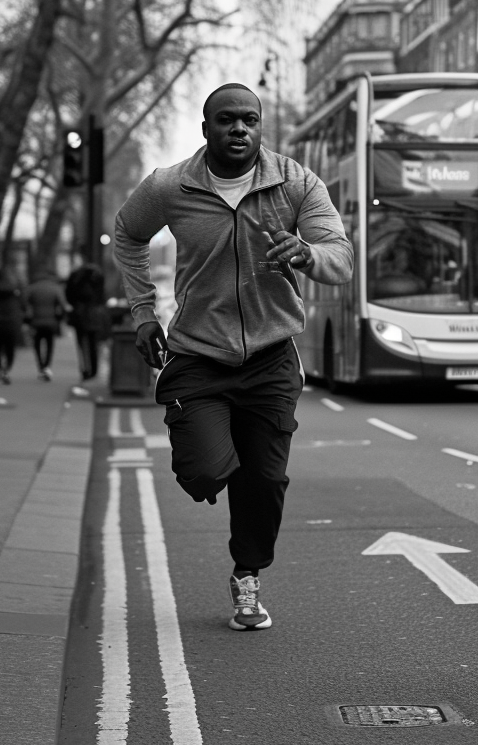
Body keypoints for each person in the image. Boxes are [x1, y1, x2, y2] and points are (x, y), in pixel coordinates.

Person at [114, 82, 353, 631]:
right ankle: (213, 465)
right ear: (206, 128)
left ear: (261, 126)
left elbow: (341, 258)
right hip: (198, 353)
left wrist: (308, 253)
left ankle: (247, 576)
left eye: (249, 119)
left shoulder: (295, 183)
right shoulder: (169, 187)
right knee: (206, 471)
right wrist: (143, 312)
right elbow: (127, 236)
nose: (239, 129)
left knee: (264, 480)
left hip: (270, 357)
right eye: (226, 120)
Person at [65, 262, 111, 381]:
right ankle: (94, 370)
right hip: (94, 315)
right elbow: (102, 296)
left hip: (79, 315)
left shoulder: (75, 279)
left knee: (81, 344)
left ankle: (85, 369)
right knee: (93, 343)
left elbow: (69, 295)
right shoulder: (97, 278)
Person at [24, 271, 69, 380]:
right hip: (51, 321)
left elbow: (24, 302)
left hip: (36, 321)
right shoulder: (55, 288)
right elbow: (63, 305)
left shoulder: (32, 288)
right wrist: (60, 318)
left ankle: (40, 366)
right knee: (49, 344)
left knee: (37, 344)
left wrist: (28, 318)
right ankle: (47, 366)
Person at [0, 267, 25, 385]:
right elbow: (23, 306)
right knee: (10, 348)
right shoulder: (16, 290)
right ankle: (6, 369)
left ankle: (0, 368)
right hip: (11, 323)